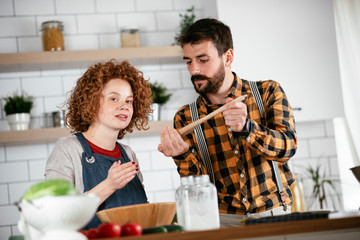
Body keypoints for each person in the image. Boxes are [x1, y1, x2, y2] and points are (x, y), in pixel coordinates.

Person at [158, 18, 297, 226]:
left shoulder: (267, 92)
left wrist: (247, 128)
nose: (194, 70)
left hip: (275, 216)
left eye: (203, 60)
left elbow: (287, 148)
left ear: (228, 57)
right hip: (222, 222)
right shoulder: (185, 117)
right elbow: (197, 189)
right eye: (188, 61)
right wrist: (182, 155)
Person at [45, 60, 152, 229]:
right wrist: (109, 185)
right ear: (92, 102)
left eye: (129, 101)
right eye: (114, 98)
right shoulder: (68, 149)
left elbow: (141, 212)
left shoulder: (128, 154)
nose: (123, 106)